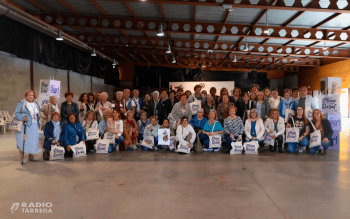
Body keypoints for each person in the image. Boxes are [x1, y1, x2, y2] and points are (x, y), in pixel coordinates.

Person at [15, 90, 41, 163]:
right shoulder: (22, 103)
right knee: (22, 141)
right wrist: (22, 117)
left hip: (34, 125)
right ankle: (22, 158)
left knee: (32, 141)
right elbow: (17, 113)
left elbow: (37, 114)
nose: (30, 96)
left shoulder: (36, 104)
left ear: (34, 96)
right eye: (28, 95)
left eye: (32, 95)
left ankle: (31, 156)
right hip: (25, 125)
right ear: (26, 96)